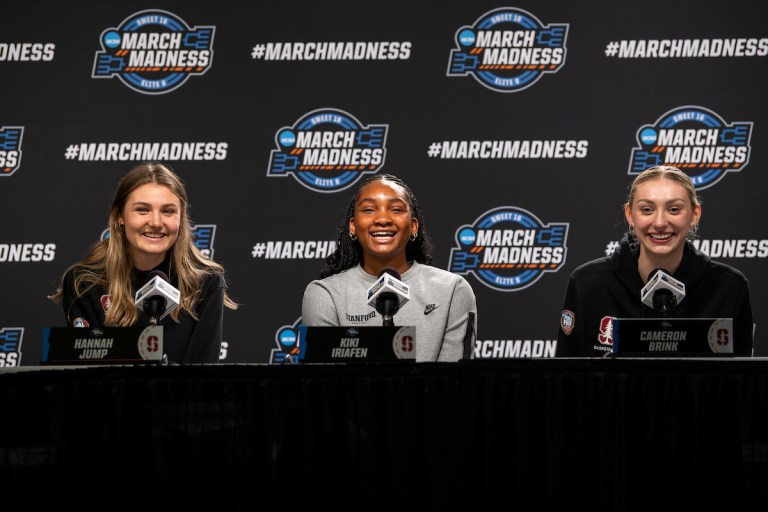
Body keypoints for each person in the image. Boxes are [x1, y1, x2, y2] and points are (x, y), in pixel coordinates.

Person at [49, 162, 238, 364]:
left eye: (167, 211)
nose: (156, 222)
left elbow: (200, 379)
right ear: (119, 216)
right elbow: (92, 373)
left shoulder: (206, 283)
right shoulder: (85, 283)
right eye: (142, 210)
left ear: (181, 217)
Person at [556, 165, 753, 357]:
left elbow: (741, 382)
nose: (659, 223)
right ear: (630, 215)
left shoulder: (729, 287)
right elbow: (567, 380)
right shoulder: (587, 284)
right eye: (647, 209)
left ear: (694, 215)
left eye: (674, 209)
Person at [301, 173, 477, 362]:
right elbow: (324, 385)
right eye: (369, 210)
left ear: (413, 227)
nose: (383, 219)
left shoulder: (453, 290)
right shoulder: (325, 294)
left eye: (396, 209)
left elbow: (453, 384)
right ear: (353, 226)